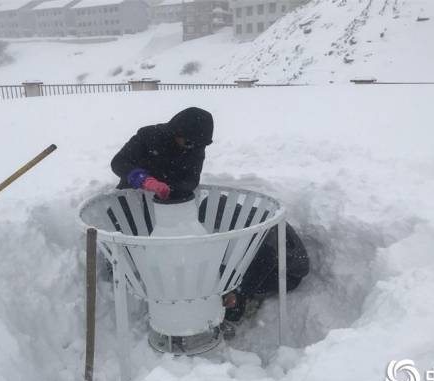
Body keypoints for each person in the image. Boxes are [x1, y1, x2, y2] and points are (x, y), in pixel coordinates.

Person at [110, 107, 309, 331]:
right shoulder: (148, 136)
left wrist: (236, 293)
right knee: (137, 246)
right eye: (188, 142)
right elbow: (118, 163)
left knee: (183, 259)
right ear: (177, 131)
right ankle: (129, 277)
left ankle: (233, 307)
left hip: (286, 270)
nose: (193, 149)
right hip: (135, 199)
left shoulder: (195, 146)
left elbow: (191, 180)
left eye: (198, 145)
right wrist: (142, 179)